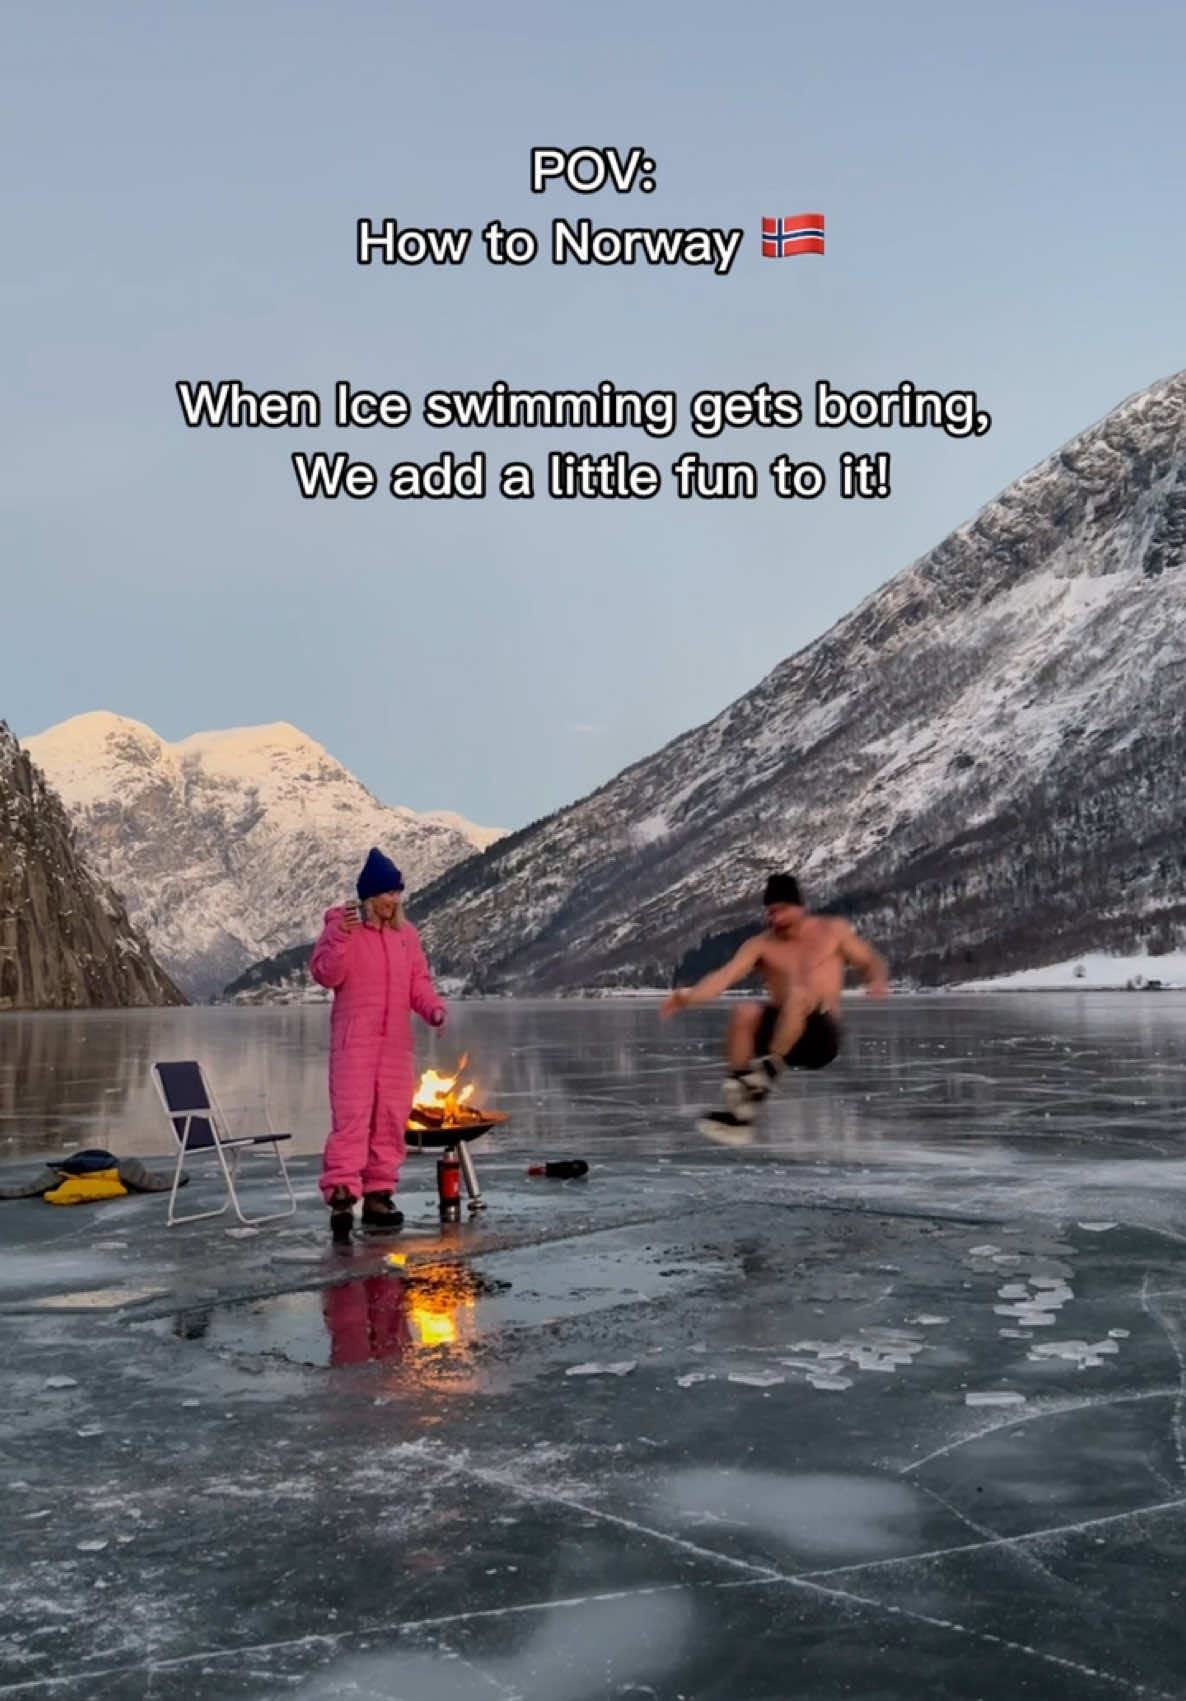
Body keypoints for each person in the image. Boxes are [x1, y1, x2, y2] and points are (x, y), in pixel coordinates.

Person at [660, 872, 890, 1143]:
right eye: (770, 912)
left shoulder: (832, 931)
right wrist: (688, 997)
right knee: (745, 1012)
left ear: (799, 906)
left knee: (800, 994)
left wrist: (875, 979)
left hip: (820, 1037)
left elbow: (868, 960)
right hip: (784, 1027)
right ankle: (740, 1106)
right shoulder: (761, 945)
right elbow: (724, 977)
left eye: (781, 910)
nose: (775, 918)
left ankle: (768, 1071)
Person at [310, 848, 447, 1236]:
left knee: (389, 1118)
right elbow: (326, 974)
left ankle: (378, 1194)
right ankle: (341, 1194)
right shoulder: (344, 927)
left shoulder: (406, 936)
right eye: (388, 893)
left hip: (394, 1045)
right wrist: (340, 935)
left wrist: (432, 1009)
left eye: (398, 893)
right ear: (370, 895)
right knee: (351, 1118)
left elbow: (416, 982)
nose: (395, 900)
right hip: (354, 1043)